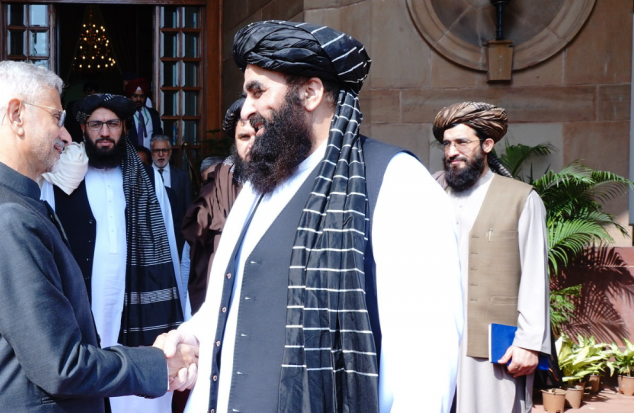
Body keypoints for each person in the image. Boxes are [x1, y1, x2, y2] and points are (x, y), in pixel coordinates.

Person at [159, 21, 464, 413]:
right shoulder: (257, 184)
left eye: (258, 91)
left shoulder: (396, 181)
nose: (247, 110)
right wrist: (189, 342)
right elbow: (227, 306)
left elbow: (426, 364)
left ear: (310, 92)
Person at [0, 60, 194, 412]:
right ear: (17, 115)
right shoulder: (7, 218)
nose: (65, 135)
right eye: (55, 118)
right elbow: (61, 366)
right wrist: (158, 364)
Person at [46, 93, 186, 413]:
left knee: (134, 392)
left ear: (124, 128)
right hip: (83, 299)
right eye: (96, 124)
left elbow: (167, 246)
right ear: (83, 130)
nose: (104, 132)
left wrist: (179, 312)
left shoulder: (147, 178)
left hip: (137, 298)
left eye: (112, 124)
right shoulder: (61, 178)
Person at [431, 102, 551, 413]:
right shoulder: (429, 190)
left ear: (487, 145)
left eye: (462, 142)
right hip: (435, 341)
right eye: (446, 144)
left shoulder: (521, 198)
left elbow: (535, 275)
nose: (451, 151)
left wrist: (529, 344)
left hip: (492, 343)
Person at [180, 98, 249, 312]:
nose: (252, 143)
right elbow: (193, 244)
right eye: (244, 136)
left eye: (259, 132)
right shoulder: (217, 186)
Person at [151, 135, 192, 257]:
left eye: (164, 150)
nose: (161, 154)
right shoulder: (143, 176)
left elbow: (187, 207)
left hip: (176, 236)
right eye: (157, 151)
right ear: (151, 153)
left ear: (170, 152)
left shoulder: (182, 176)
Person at [125, 78, 163, 149]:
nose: (138, 99)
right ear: (130, 97)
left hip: (150, 156)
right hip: (131, 157)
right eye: (135, 96)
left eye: (142, 96)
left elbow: (159, 136)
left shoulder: (153, 114)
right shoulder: (125, 114)